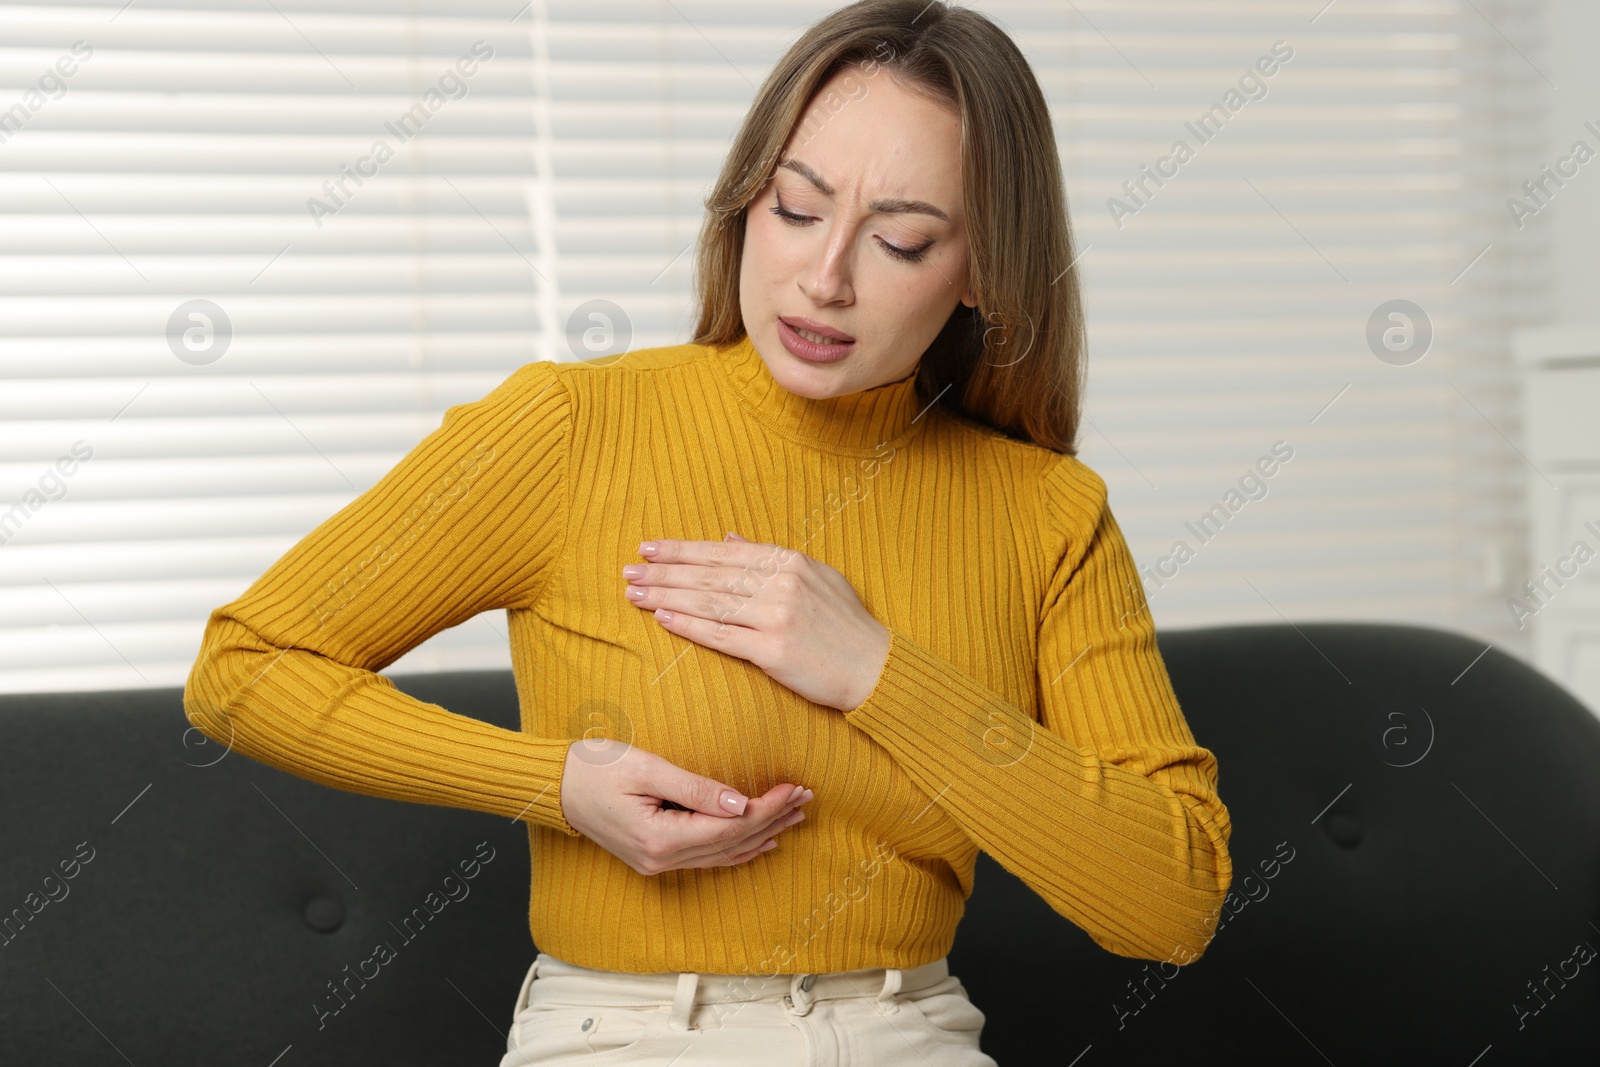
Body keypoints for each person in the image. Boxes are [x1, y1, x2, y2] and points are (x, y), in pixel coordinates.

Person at [182, 1, 1234, 1063]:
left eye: (900, 239)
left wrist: (873, 666)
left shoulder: (1046, 511)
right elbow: (245, 664)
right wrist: (555, 785)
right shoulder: (572, 427)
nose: (824, 278)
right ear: (745, 203)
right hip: (628, 1030)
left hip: (911, 1026)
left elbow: (1172, 901)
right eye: (796, 209)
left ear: (979, 270)